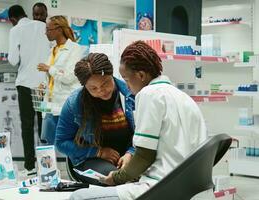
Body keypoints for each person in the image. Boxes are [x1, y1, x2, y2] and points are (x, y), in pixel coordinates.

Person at [70, 41, 208, 200]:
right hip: (190, 187)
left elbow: (144, 156)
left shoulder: (149, 94)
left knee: (78, 196)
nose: (127, 87)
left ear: (141, 76)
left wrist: (116, 178)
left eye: (127, 80)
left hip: (161, 187)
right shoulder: (183, 98)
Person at [55, 53, 135, 185]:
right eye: (93, 88)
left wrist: (131, 153)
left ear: (112, 75)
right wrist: (98, 152)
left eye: (105, 83)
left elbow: (144, 132)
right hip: (90, 160)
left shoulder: (131, 94)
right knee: (118, 180)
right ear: (85, 86)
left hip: (127, 156)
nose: (101, 91)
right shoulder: (74, 103)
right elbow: (61, 142)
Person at [8, 5, 50, 175]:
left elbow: (12, 60)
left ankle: (30, 166)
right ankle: (47, 165)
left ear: (12, 19)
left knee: (27, 125)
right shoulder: (45, 27)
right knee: (44, 124)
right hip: (43, 85)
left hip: (25, 83)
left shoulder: (16, 30)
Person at [37, 15, 85, 145]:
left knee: (68, 143)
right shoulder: (52, 50)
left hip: (64, 104)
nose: (45, 33)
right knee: (48, 143)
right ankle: (50, 166)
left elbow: (69, 76)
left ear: (59, 30)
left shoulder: (75, 49)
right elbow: (52, 77)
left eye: (48, 29)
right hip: (48, 104)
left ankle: (72, 166)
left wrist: (49, 68)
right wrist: (43, 85)